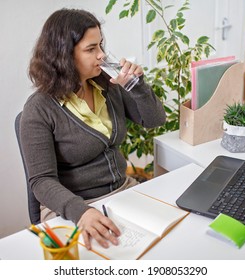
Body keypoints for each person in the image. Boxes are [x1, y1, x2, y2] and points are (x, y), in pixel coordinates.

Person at [20, 8, 166, 250]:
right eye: (91, 49)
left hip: (122, 192)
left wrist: (137, 85)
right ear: (63, 55)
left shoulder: (109, 86)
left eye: (101, 45)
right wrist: (82, 212)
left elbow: (154, 119)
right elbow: (42, 181)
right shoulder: (39, 109)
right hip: (72, 207)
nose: (101, 55)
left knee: (162, 244)